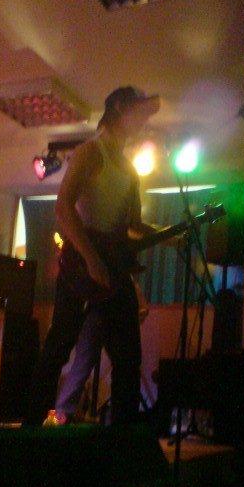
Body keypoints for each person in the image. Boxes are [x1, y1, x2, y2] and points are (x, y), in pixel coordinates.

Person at [25, 87, 160, 426]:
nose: (144, 121)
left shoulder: (130, 169)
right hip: (81, 266)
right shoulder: (90, 151)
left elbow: (133, 226)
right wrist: (91, 259)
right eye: (139, 112)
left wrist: (170, 235)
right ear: (119, 108)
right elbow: (63, 208)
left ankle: (121, 439)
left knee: (128, 358)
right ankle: (30, 426)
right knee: (60, 345)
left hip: (113, 268)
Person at [53, 279, 150, 424]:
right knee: (124, 368)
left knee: (80, 367)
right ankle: (122, 423)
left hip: (96, 310)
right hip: (112, 310)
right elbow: (141, 309)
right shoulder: (123, 281)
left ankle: (61, 414)